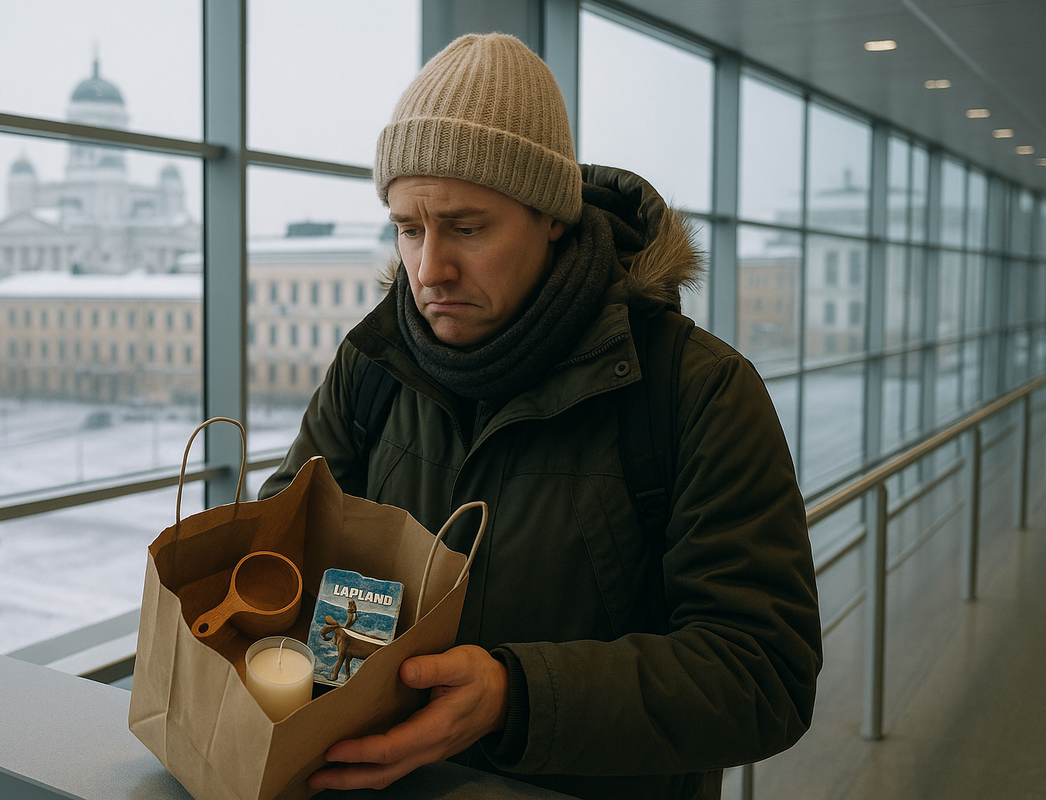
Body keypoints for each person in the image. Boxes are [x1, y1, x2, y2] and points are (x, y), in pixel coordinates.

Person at [260, 33, 821, 800]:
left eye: (466, 227)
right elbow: (285, 546)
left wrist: (514, 697)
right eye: (408, 227)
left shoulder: (695, 390)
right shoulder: (373, 365)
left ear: (552, 217)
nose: (429, 270)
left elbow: (763, 672)